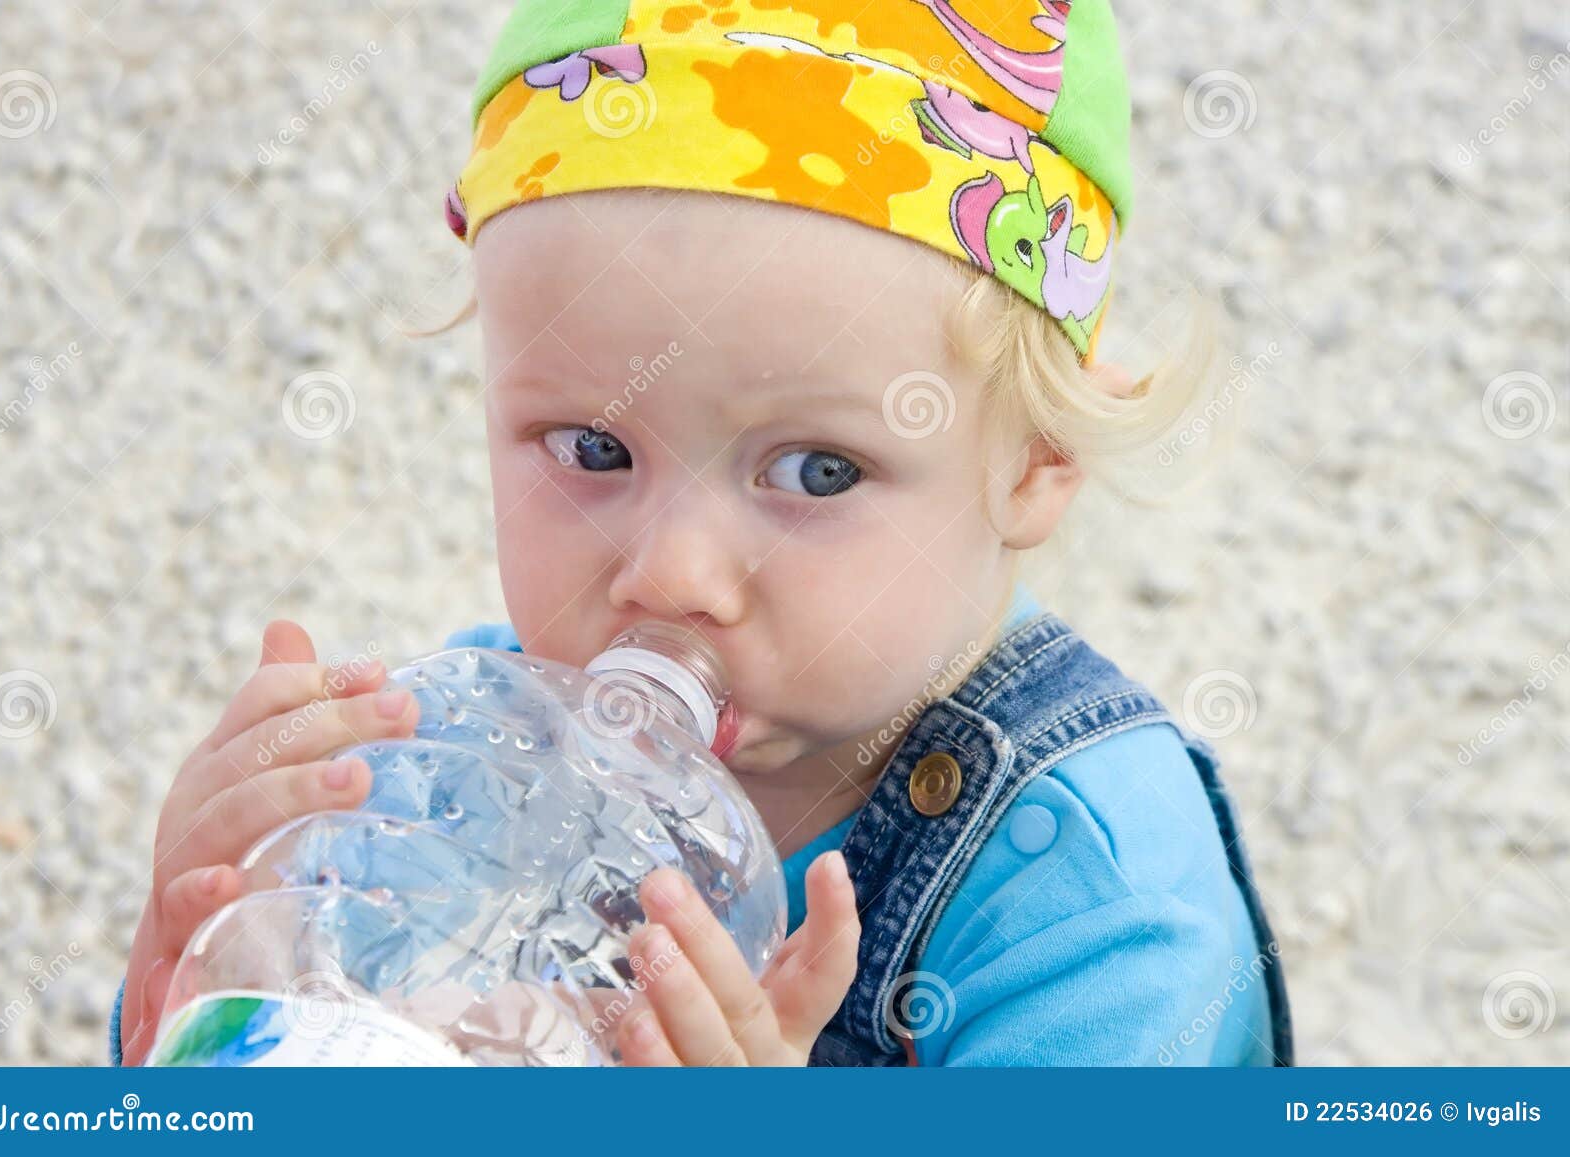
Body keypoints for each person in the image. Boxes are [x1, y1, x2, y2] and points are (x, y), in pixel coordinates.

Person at [113, 0, 1291, 1066]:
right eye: (590, 449)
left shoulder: (1105, 920)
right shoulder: (472, 768)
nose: (669, 576)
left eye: (816, 471)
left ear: (1039, 463)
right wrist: (215, 967)